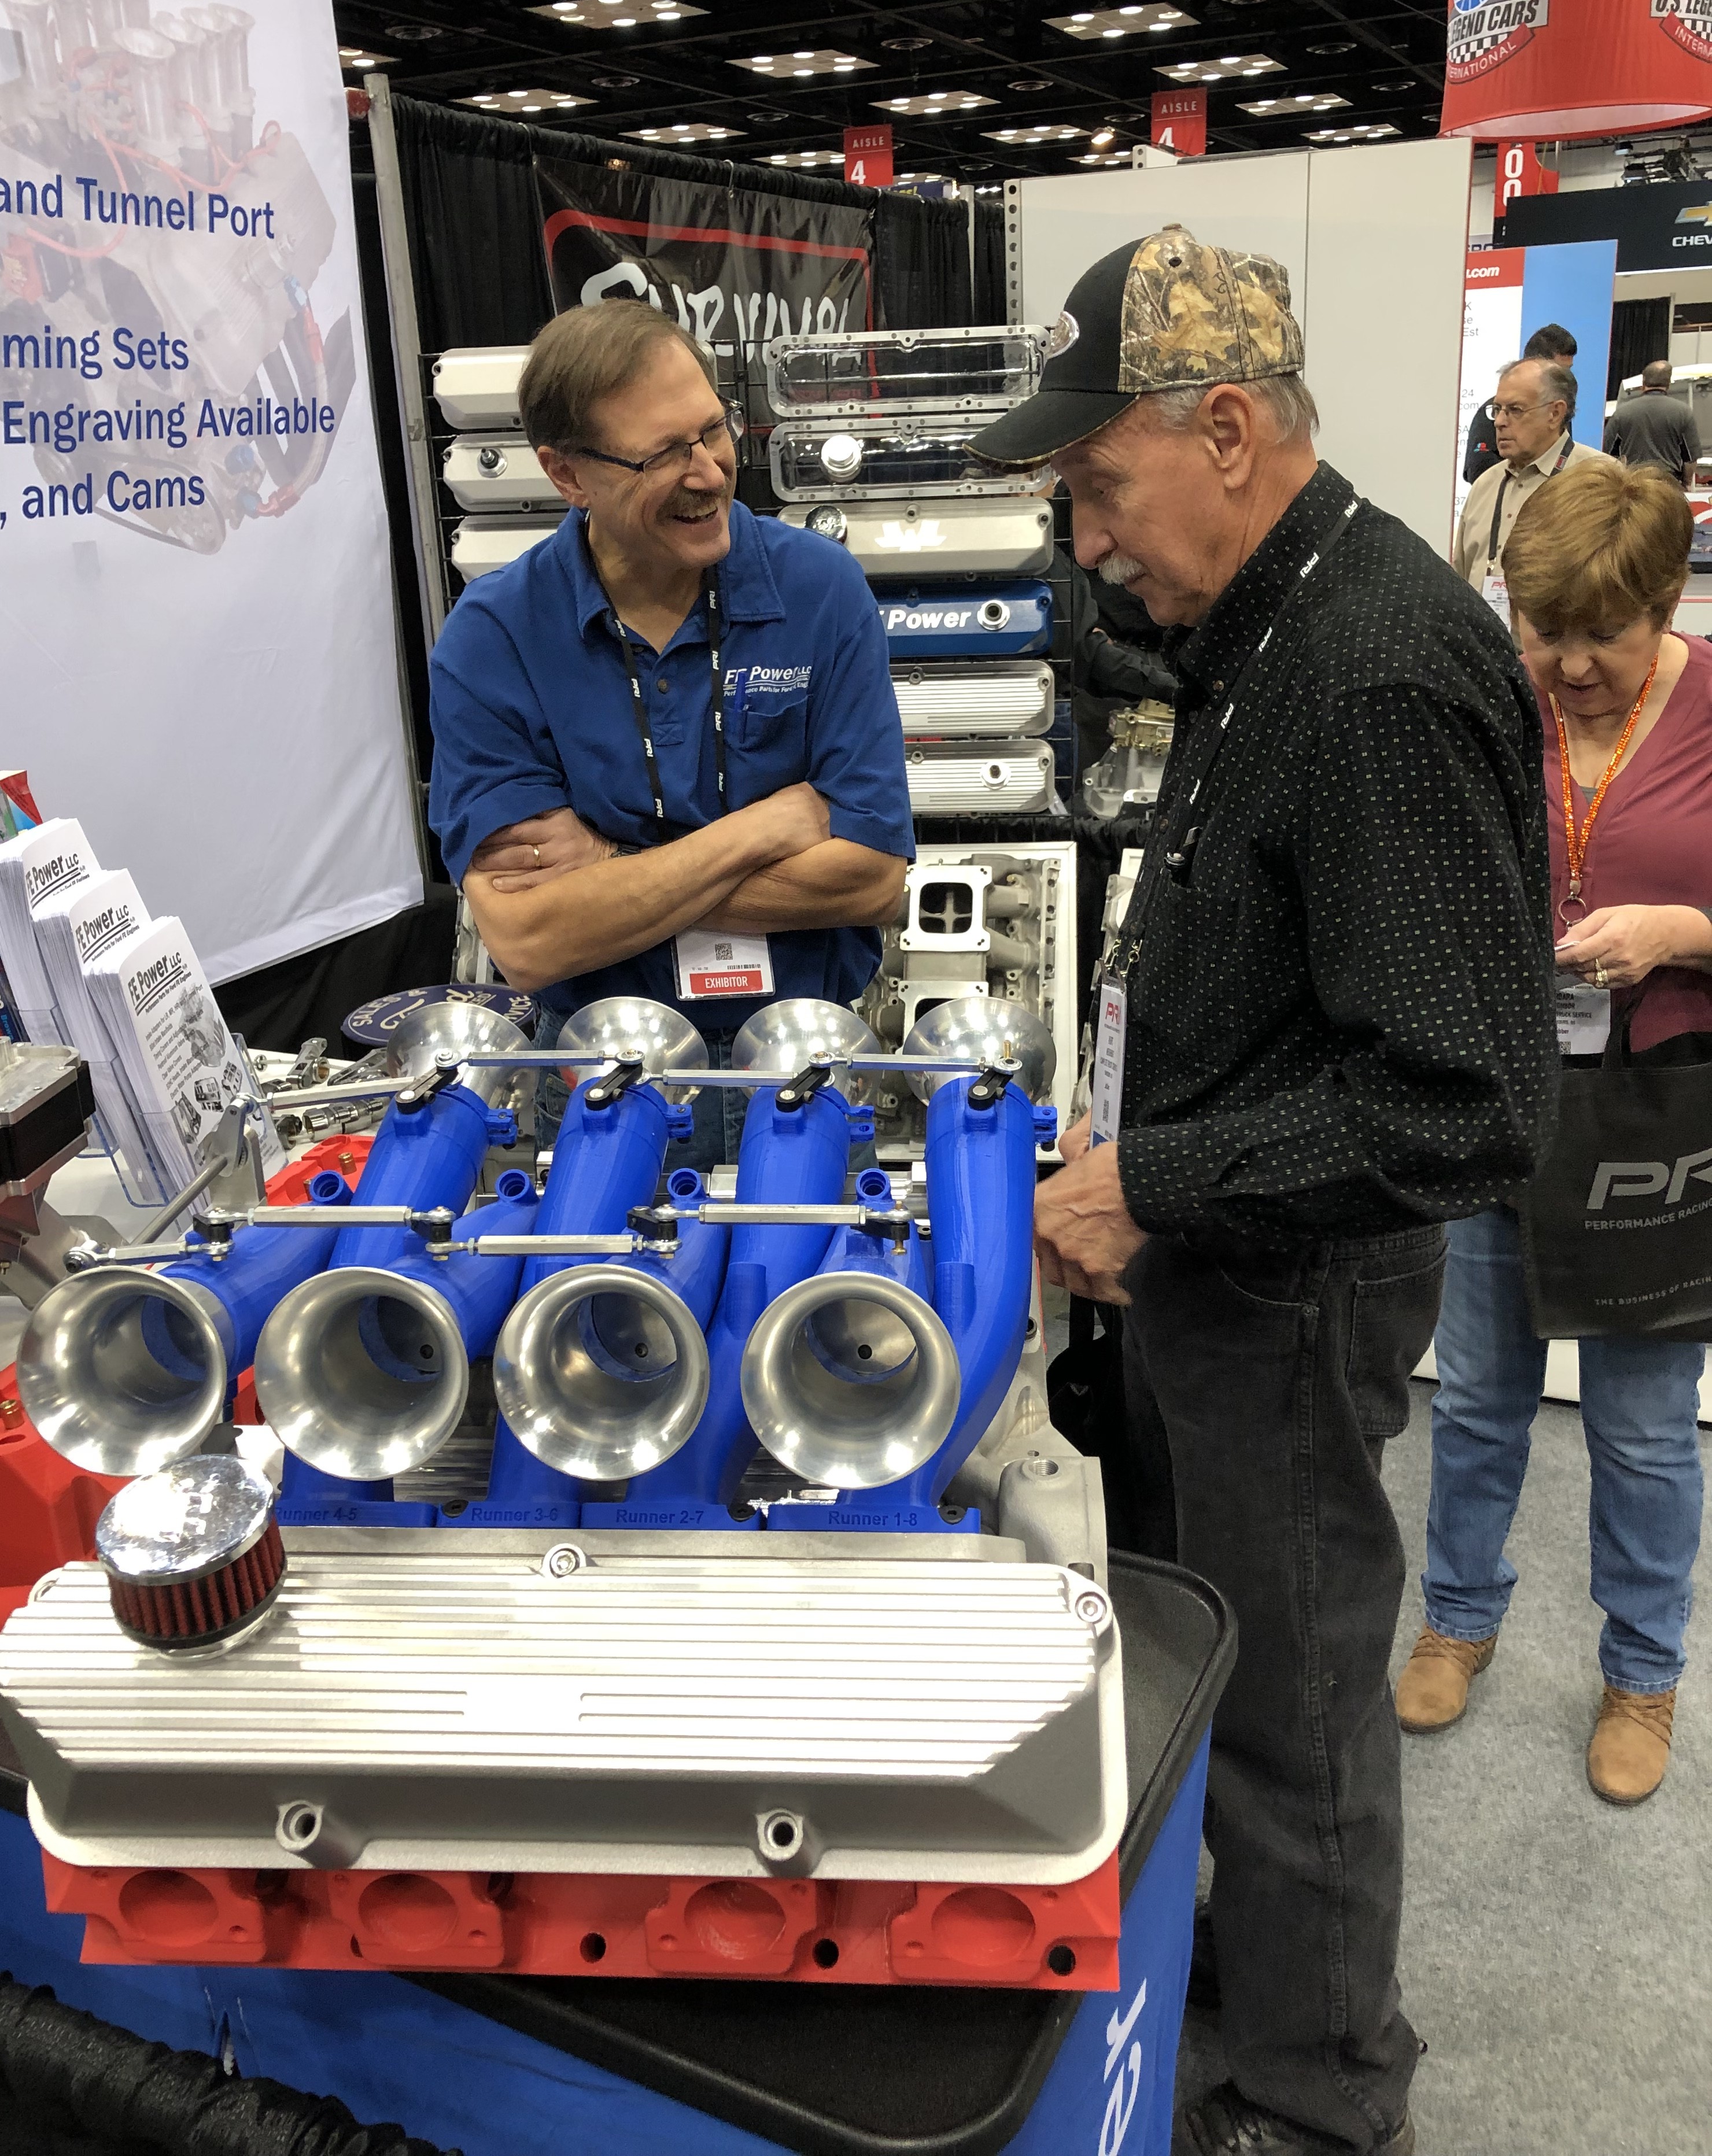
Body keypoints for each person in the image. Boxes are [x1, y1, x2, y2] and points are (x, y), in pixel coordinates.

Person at [972, 223, 1556, 2156]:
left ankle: (1322, 2100)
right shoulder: (1277, 621)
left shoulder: (1376, 667)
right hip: (1221, 1254)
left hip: (1286, 1280)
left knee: (1297, 1698)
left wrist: (1158, 1179)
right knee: (1223, 1650)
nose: (1085, 543)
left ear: (1225, 430)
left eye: (1097, 486)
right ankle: (1257, 1970)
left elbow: (1465, 1104)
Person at [1396, 457, 1711, 1806]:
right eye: (1545, 631)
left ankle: (1643, 1669)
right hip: (1503, 1098)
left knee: (1642, 1426)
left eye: (1604, 636)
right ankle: (1457, 1619)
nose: (1571, 665)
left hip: (1657, 1107)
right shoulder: (1493, 700)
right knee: (1476, 1397)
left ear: (1668, 604)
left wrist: (1681, 933)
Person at [427, 300, 913, 1164]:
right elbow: (530, 940)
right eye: (661, 455)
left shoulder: (819, 588)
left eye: (713, 430)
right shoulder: (495, 635)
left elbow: (872, 880)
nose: (709, 473)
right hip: (604, 1076)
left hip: (808, 1061)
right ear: (567, 475)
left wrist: (607, 870)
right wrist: (763, 831)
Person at [1452, 355, 1608, 608]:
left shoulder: (1602, 481)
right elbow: (1459, 579)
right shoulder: (1485, 486)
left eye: (1515, 410)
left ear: (1555, 414)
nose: (1499, 422)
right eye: (1497, 410)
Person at [1461, 322, 1576, 486]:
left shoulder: (1558, 410)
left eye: (1569, 370)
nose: (1567, 380)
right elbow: (1478, 470)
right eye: (1560, 372)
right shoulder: (1491, 412)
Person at [1604, 358, 1700, 487]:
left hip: (1633, 484)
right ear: (1668, 384)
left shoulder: (1622, 413)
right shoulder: (1684, 412)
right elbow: (1691, 459)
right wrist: (1685, 484)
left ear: (1643, 382)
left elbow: (1607, 452)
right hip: (1668, 484)